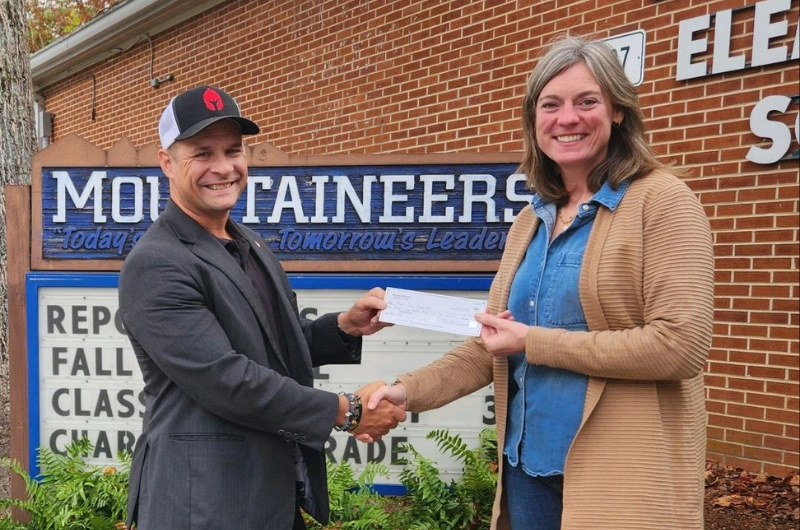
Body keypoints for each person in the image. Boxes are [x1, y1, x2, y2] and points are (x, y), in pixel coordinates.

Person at [367, 35, 714, 530]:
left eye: (586, 101)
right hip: (527, 469)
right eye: (550, 105)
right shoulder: (532, 219)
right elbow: (495, 340)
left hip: (620, 474)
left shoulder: (663, 202)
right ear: (535, 119)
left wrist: (534, 340)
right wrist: (408, 391)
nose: (567, 118)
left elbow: (680, 347)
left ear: (617, 110)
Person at [119, 85, 406, 530]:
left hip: (269, 492)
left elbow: (273, 350)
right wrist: (345, 410)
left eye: (233, 150)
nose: (223, 167)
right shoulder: (156, 262)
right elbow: (228, 380)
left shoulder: (248, 242)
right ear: (166, 163)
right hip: (204, 504)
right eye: (202, 153)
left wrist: (345, 327)